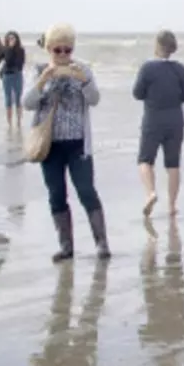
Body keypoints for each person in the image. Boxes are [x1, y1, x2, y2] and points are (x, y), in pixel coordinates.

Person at [23, 23, 109, 262]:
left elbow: (94, 99)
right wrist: (42, 80)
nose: (62, 55)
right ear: (48, 49)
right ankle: (66, 245)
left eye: (67, 50)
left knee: (86, 191)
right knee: (56, 194)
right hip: (50, 145)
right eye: (57, 50)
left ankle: (101, 243)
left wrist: (84, 81)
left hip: (78, 144)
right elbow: (27, 103)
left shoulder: (82, 69)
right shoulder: (38, 70)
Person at [132, 30, 184, 219]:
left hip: (153, 118)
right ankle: (172, 205)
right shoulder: (180, 69)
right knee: (173, 163)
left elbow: (137, 93)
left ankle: (151, 192)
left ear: (157, 45)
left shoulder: (147, 69)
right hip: (175, 119)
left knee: (145, 160)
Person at [0, 30, 26, 129]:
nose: (11, 40)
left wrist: (13, 65)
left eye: (13, 38)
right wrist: (9, 49)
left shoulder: (21, 50)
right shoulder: (5, 50)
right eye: (9, 38)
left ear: (17, 39)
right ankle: (9, 124)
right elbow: (7, 61)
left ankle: (19, 122)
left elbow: (20, 64)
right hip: (7, 76)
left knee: (18, 98)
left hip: (17, 75)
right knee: (8, 99)